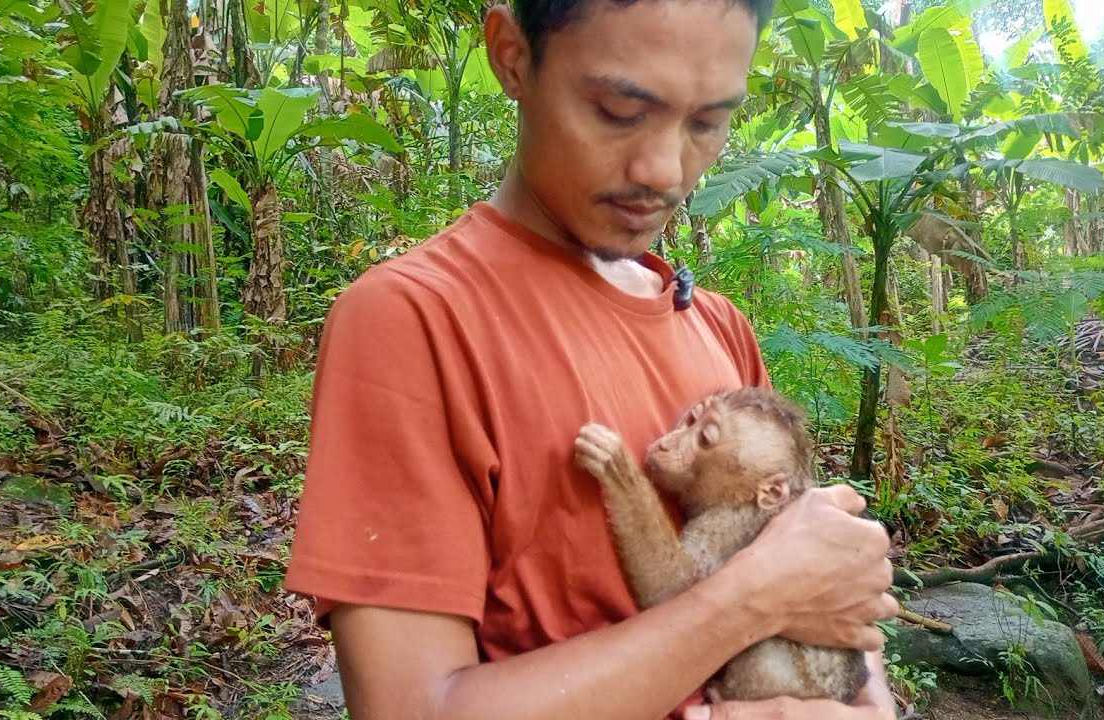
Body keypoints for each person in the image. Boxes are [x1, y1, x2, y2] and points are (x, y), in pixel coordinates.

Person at [283, 0, 900, 718]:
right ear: (512, 56)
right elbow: (412, 707)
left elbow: (823, 584)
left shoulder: (719, 326)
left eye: (707, 123)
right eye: (617, 110)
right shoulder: (417, 321)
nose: (665, 171)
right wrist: (749, 602)